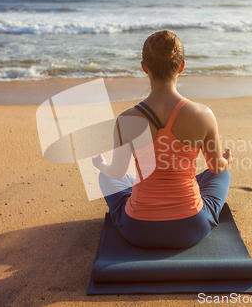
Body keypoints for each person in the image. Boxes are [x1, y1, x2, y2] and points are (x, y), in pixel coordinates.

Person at [92, 30, 232, 249]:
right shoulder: (204, 115)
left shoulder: (126, 119)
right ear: (181, 66)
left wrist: (101, 165)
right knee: (222, 176)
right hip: (190, 228)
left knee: (106, 177)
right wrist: (226, 160)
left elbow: (117, 173)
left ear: (144, 67)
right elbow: (215, 167)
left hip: (138, 230)